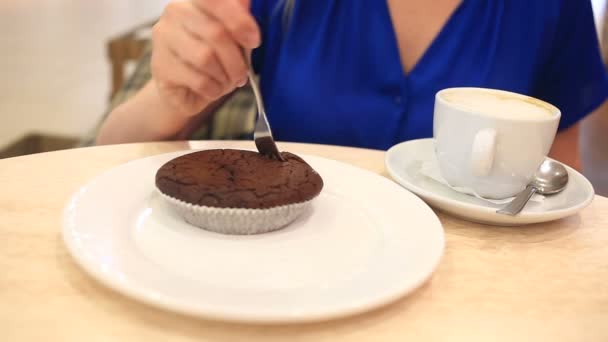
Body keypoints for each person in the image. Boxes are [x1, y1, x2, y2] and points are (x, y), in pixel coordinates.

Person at [96, 0, 608, 170]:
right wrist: (170, 94)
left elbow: (553, 179)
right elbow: (107, 151)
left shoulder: (552, 9)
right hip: (285, 287)